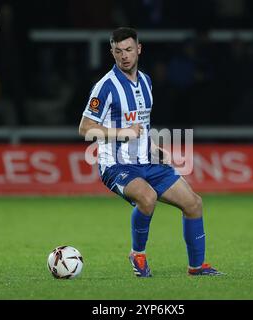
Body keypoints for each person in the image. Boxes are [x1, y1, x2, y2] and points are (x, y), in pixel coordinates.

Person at [78, 27, 222, 277]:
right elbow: (85, 128)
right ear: (112, 52)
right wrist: (123, 133)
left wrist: (152, 147)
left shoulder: (146, 81)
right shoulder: (105, 86)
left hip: (146, 160)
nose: (124, 55)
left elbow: (141, 125)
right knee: (147, 197)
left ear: (139, 49)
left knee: (194, 203)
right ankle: (138, 254)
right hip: (116, 164)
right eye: (119, 51)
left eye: (129, 50)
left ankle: (197, 267)